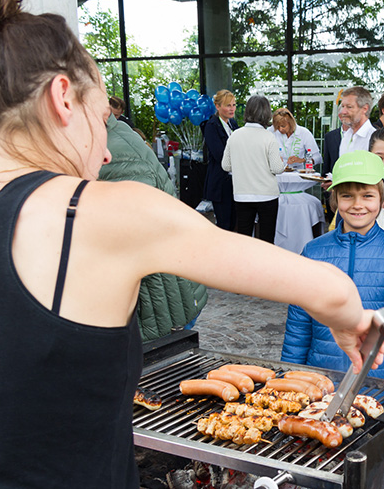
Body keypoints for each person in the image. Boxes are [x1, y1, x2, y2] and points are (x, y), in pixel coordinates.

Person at [0, 0, 384, 489]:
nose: (102, 152)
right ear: (62, 98)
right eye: (101, 119)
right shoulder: (102, 211)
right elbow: (326, 286)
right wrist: (353, 321)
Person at [281, 151, 384, 384]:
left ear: (381, 197)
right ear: (336, 199)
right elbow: (298, 327)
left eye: (367, 196)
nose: (358, 205)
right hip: (319, 381)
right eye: (347, 196)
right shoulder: (313, 252)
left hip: (378, 383)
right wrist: (289, 379)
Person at [98, 115, 208, 340]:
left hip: (158, 307)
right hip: (158, 301)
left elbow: (142, 238)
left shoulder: (115, 150)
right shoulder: (104, 139)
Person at [221, 96, 286, 243]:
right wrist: (281, 163)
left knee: (244, 239)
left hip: (242, 195)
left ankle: (245, 265)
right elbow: (277, 168)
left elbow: (225, 166)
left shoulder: (234, 135)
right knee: (267, 239)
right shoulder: (268, 137)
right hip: (267, 195)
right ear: (266, 113)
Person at [202, 89, 239, 231]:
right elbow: (219, 154)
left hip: (234, 183)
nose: (232, 109)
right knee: (224, 225)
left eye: (234, 105)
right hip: (220, 183)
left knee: (233, 223)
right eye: (228, 105)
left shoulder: (233, 124)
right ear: (218, 107)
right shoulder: (211, 126)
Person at [338, 86, 377, 157]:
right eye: (343, 106)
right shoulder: (346, 136)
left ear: (365, 108)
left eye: (349, 107)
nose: (343, 112)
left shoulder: (374, 138)